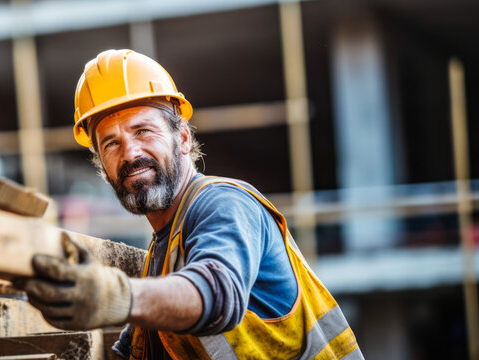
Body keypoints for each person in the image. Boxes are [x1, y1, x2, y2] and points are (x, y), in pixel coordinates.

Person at [20, 49, 363, 359]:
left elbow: (214, 292)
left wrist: (114, 295)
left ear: (182, 138)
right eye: (111, 143)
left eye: (143, 131)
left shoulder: (224, 204)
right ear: (100, 164)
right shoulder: (163, 255)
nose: (130, 153)